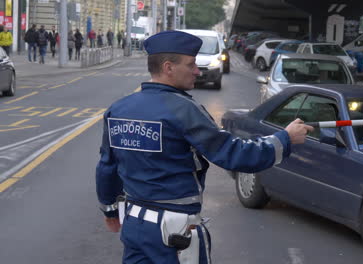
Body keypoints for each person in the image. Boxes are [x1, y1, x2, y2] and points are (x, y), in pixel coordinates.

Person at [95, 30, 313, 264]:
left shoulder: (119, 109)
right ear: (168, 68)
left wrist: (109, 210)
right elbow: (234, 155)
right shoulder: (183, 110)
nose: (197, 71)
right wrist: (285, 139)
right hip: (174, 233)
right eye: (191, 65)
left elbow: (107, 167)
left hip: (134, 225)